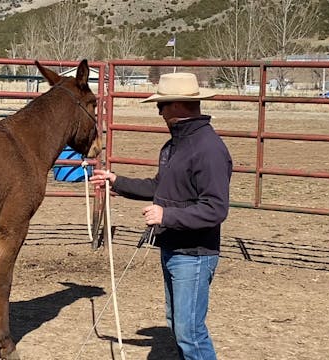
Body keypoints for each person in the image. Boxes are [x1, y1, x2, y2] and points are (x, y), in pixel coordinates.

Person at [90, 72, 232, 360]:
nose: (159, 112)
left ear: (177, 106)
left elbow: (216, 208)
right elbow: (158, 187)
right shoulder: (174, 146)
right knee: (178, 326)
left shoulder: (208, 150)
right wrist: (116, 181)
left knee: (190, 333)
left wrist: (166, 215)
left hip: (194, 253)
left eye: (161, 106)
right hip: (173, 248)